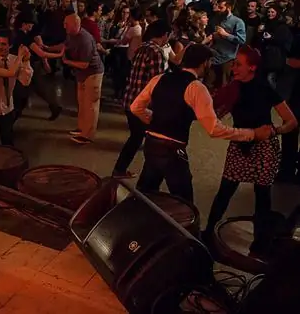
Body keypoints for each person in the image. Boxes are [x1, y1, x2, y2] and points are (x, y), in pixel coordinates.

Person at [130, 44, 271, 203]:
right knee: (184, 203)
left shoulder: (159, 78)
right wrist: (252, 134)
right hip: (173, 151)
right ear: (205, 63)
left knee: (143, 196)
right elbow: (214, 129)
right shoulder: (197, 88)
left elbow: (136, 107)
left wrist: (156, 118)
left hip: (151, 144)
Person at [203, 45, 297, 257]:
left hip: (263, 147)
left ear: (252, 67)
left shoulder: (265, 89)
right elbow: (214, 112)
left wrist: (274, 130)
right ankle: (208, 232)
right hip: (240, 143)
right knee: (225, 191)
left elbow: (291, 121)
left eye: (238, 64)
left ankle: (260, 243)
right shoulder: (233, 88)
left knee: (262, 196)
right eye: (234, 63)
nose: (234, 67)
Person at [112, 20, 170, 177]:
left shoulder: (141, 48)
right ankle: (136, 174)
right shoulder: (156, 52)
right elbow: (156, 81)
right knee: (142, 139)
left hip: (130, 99)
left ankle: (121, 169)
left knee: (136, 137)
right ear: (165, 35)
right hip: (142, 104)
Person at [61, 13, 105, 144]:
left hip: (93, 73)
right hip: (82, 74)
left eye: (66, 24)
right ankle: (81, 128)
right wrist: (48, 49)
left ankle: (88, 135)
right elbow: (65, 46)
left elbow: (85, 64)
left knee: (91, 104)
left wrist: (66, 61)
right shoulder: (71, 35)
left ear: (75, 25)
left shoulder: (85, 39)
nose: (64, 26)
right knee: (82, 102)